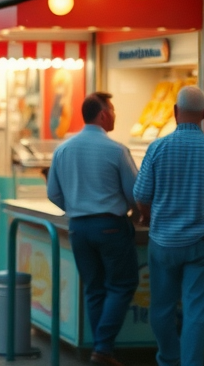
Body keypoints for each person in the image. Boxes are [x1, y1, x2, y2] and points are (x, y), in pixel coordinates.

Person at [47, 92, 138, 366]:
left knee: (94, 288)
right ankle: (102, 348)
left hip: (78, 228)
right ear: (103, 115)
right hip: (110, 226)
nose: (114, 115)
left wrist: (75, 207)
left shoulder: (64, 148)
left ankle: (103, 349)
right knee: (122, 285)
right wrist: (132, 211)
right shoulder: (116, 150)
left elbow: (53, 193)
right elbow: (134, 193)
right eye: (112, 110)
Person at [134, 86, 204, 366]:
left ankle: (168, 358)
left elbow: (141, 195)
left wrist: (149, 216)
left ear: (175, 112)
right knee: (196, 313)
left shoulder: (157, 148)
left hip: (164, 242)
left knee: (162, 308)